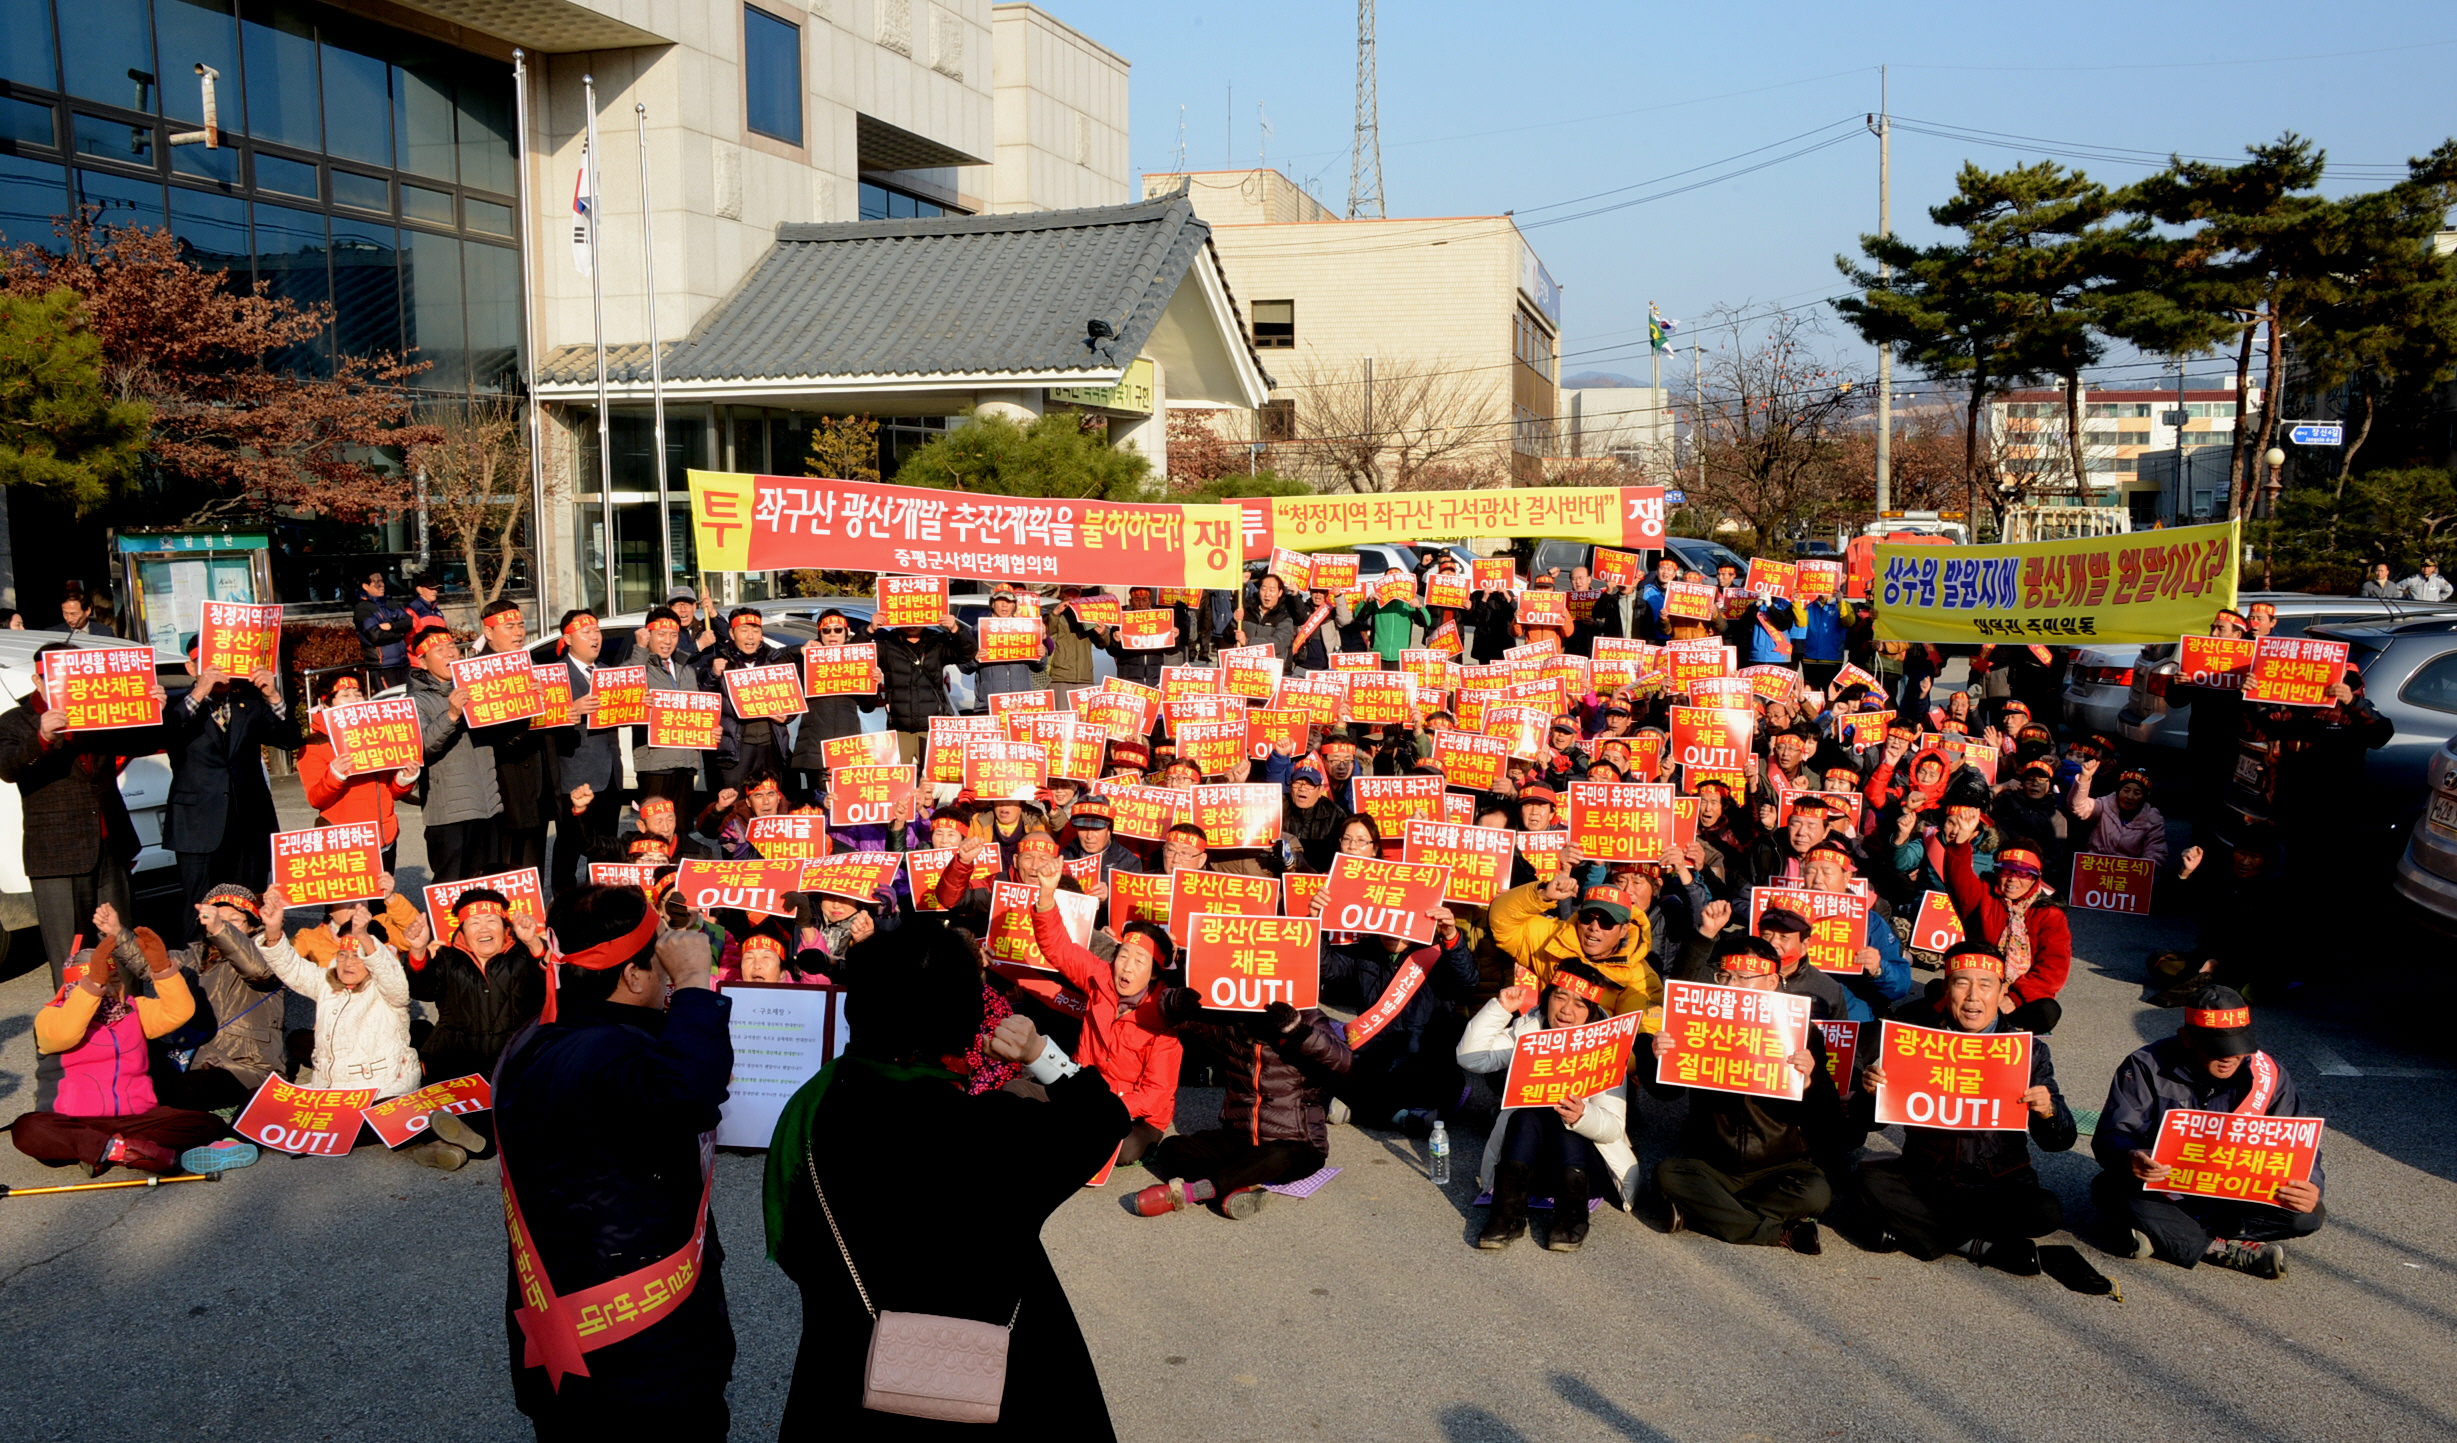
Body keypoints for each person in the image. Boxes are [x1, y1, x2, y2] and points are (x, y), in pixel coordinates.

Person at [765, 916, 1127, 1435]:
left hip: (851, 1364)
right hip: (1001, 1372)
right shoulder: (1001, 1130)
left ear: (858, 1007)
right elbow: (1102, 1121)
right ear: (968, 1017)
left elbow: (797, 1250)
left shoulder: (811, 1113)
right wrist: (1041, 1055)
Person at [495, 884, 736, 1438]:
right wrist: (696, 983)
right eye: (660, 963)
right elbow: (690, 1093)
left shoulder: (534, 1038)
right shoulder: (613, 1056)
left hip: (558, 1333)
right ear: (631, 975)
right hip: (642, 1354)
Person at [1848, 942, 2077, 1273]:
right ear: (1946, 989)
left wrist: (2048, 1111)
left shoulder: (2028, 1051)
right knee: (1866, 1184)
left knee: (2045, 1212)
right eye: (1961, 983)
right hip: (1928, 1180)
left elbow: (2060, 1141)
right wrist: (1870, 1094)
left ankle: (1914, 1230)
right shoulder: (1914, 1042)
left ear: (2002, 993)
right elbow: (1868, 1124)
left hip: (1999, 1184)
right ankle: (1977, 1246)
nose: (1973, 996)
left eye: (1985, 984)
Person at [2090, 986, 2324, 1279]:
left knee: (2307, 1216)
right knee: (2110, 1190)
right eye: (2217, 1048)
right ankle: (2219, 1247)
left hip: (2233, 1193)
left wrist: (2310, 1185)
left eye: (2238, 1047)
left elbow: (2299, 1145)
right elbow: (2112, 1135)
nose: (2229, 1058)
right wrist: (2130, 1156)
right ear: (2187, 1038)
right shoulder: (2145, 1065)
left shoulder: (2270, 1075)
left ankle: (2167, 1234)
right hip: (2164, 1190)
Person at [1645, 936, 1839, 1252]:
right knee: (1667, 1175)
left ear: (1772, 981)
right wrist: (1659, 1058)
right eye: (1725, 977)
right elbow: (1666, 1093)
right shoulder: (1698, 1022)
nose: (1731, 985)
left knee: (1816, 1193)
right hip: (1712, 1163)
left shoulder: (1801, 1032)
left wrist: (1809, 1083)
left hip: (1780, 1165)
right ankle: (1780, 1233)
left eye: (1742, 978)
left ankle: (1703, 1214)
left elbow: (1827, 1116)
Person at [7, 913, 226, 1174]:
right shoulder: (52, 1015)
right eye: (98, 983)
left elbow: (179, 1012)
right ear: (75, 986)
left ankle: (107, 1151)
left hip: (135, 1119)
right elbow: (66, 1033)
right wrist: (93, 987)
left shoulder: (134, 1010)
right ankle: (117, 1150)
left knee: (209, 1124)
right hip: (74, 1120)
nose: (110, 989)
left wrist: (161, 969)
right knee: (27, 1129)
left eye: (113, 981)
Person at [0, 641, 164, 986]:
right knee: (68, 955)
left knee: (122, 944)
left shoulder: (99, 710)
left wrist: (151, 710)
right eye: (53, 677)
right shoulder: (15, 721)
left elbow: (141, 743)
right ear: (38, 680)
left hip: (110, 848)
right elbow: (9, 767)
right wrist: (44, 735)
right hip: (56, 855)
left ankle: (131, 1026)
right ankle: (78, 1034)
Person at [1456, 961, 1641, 1252]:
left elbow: (1613, 1127)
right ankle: (1507, 1217)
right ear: (1547, 998)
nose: (1567, 1010)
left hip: (1583, 1170)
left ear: (1591, 1011)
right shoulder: (1528, 1029)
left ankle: (1571, 1219)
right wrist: (1500, 1009)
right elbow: (1471, 1059)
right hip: (1530, 1169)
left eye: (1580, 1004)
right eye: (1560, 997)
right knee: (1524, 1114)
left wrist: (1584, 1115)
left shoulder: (1608, 1044)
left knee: (1564, 1118)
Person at [1135, 990, 1353, 1220]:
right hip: (1240, 1139)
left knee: (1280, 1153)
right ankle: (1235, 1188)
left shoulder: (1307, 1016)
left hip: (1298, 1145)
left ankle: (1196, 1191)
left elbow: (1344, 1061)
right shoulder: (1234, 1015)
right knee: (1172, 1148)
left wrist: (1297, 1031)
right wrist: (1174, 1003)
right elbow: (1187, 1021)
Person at [1025, 870, 1181, 1165]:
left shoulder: (1164, 1017)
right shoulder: (1100, 976)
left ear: (1155, 973)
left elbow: (1156, 1093)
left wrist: (1108, 1107)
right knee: (1015, 1093)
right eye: (1124, 955)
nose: (1127, 967)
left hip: (1133, 1112)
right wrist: (1046, 897)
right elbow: (1058, 949)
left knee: (1121, 1149)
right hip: (1086, 1091)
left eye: (1139, 961)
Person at [165, 645, 297, 915]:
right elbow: (168, 732)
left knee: (249, 904)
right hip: (198, 825)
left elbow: (289, 739)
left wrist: (272, 694)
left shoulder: (248, 703)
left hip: (249, 822)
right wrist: (200, 691)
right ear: (192, 668)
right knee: (199, 908)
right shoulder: (178, 704)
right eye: (211, 664)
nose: (221, 672)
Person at [404, 888, 548, 1111]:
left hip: (512, 1055)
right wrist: (417, 950)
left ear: (505, 927)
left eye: (491, 920)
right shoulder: (447, 958)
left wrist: (534, 944)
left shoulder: (522, 954)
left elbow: (549, 986)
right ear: (462, 931)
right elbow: (423, 991)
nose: (484, 928)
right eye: (474, 923)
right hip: (455, 1056)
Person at [154, 885, 287, 1113]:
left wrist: (220, 929)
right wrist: (119, 936)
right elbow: (153, 967)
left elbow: (259, 972)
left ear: (253, 925)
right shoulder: (196, 956)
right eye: (217, 920)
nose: (225, 926)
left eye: (234, 920)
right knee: (133, 1060)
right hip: (195, 1057)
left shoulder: (268, 950)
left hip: (243, 1067)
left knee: (174, 1092)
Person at [1938, 815, 2070, 1034]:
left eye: (2023, 873)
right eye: (2007, 870)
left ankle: (1997, 1025)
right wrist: (1960, 845)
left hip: (2018, 997)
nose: (2013, 879)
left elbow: (2053, 968)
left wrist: (2015, 997)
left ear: (2035, 878)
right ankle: (1989, 1024)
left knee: (2048, 1011)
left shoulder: (2049, 914)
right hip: (1978, 991)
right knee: (1938, 990)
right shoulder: (1984, 896)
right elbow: (1958, 882)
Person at [1488, 865, 1660, 1018]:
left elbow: (1640, 1028)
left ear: (1624, 930)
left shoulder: (1640, 976)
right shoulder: (1553, 938)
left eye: (1606, 922)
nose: (1594, 927)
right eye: (1587, 918)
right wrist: (1543, 894)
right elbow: (1501, 921)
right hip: (1547, 1044)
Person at [406, 618, 505, 884]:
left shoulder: (477, 687)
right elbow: (420, 747)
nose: (450, 653)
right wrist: (451, 715)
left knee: (485, 886)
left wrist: (525, 705)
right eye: (440, 650)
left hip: (488, 806)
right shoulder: (416, 700)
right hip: (449, 813)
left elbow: (504, 737)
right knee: (450, 888)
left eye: (452, 646)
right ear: (423, 662)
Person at [472, 600, 559, 877]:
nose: (518, 632)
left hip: (538, 778)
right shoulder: (477, 671)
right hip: (504, 781)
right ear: (488, 632)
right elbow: (493, 736)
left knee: (534, 864)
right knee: (506, 863)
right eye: (509, 626)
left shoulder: (531, 663)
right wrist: (527, 707)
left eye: (520, 625)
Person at [298, 673, 419, 870]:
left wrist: (405, 777)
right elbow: (315, 799)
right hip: (344, 842)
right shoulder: (314, 744)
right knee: (347, 901)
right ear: (327, 704)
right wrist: (334, 775)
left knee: (382, 899)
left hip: (385, 836)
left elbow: (394, 793)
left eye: (358, 693)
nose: (354, 700)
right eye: (345, 695)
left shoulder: (378, 735)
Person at [545, 609, 626, 896]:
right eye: (586, 632)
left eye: (597, 631)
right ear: (567, 639)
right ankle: (564, 904)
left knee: (605, 845)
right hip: (574, 774)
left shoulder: (609, 673)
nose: (595, 638)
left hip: (610, 774)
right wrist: (573, 712)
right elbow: (542, 725)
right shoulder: (555, 675)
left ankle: (600, 901)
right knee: (569, 844)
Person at [695, 607, 797, 794]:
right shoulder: (718, 661)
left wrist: (788, 716)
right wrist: (713, 675)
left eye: (755, 630)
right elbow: (701, 700)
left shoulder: (775, 660)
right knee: (735, 804)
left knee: (770, 802)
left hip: (771, 745)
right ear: (732, 633)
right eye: (744, 630)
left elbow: (792, 698)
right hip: (735, 749)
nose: (750, 637)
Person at [785, 609, 885, 795]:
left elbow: (868, 707)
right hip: (814, 746)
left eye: (838, 630)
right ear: (819, 633)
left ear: (846, 633)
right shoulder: (806, 660)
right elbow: (777, 663)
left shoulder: (857, 662)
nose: (832, 634)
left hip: (847, 744)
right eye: (826, 630)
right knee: (820, 799)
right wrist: (799, 651)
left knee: (847, 798)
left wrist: (875, 685)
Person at [876, 606, 977, 765]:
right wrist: (869, 629)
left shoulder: (937, 642)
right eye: (906, 616)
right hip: (899, 726)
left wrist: (955, 629)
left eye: (917, 616)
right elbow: (859, 655)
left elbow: (967, 652)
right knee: (900, 781)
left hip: (932, 726)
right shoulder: (887, 644)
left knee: (933, 782)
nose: (912, 623)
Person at [634, 606, 705, 815]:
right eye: (661, 634)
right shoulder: (639, 665)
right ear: (648, 634)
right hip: (654, 764)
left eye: (673, 635)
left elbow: (698, 712)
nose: (668, 641)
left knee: (680, 830)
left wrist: (708, 730)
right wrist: (640, 649)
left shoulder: (686, 668)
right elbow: (627, 689)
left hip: (685, 762)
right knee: (655, 832)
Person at [2067, 763, 2169, 866]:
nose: (2129, 797)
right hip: (2095, 866)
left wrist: (2135, 868)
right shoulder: (2105, 804)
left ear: (2144, 797)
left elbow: (2156, 855)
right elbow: (2078, 806)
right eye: (2126, 790)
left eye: (2137, 793)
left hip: (2126, 873)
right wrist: (2084, 779)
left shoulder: (2152, 819)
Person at [354, 571, 413, 688]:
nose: (381, 585)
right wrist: (400, 634)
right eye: (376, 582)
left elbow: (408, 622)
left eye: (382, 581)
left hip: (403, 662)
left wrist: (392, 626)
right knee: (391, 701)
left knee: (409, 700)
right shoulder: (362, 608)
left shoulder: (390, 602)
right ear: (365, 586)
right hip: (382, 666)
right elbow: (376, 636)